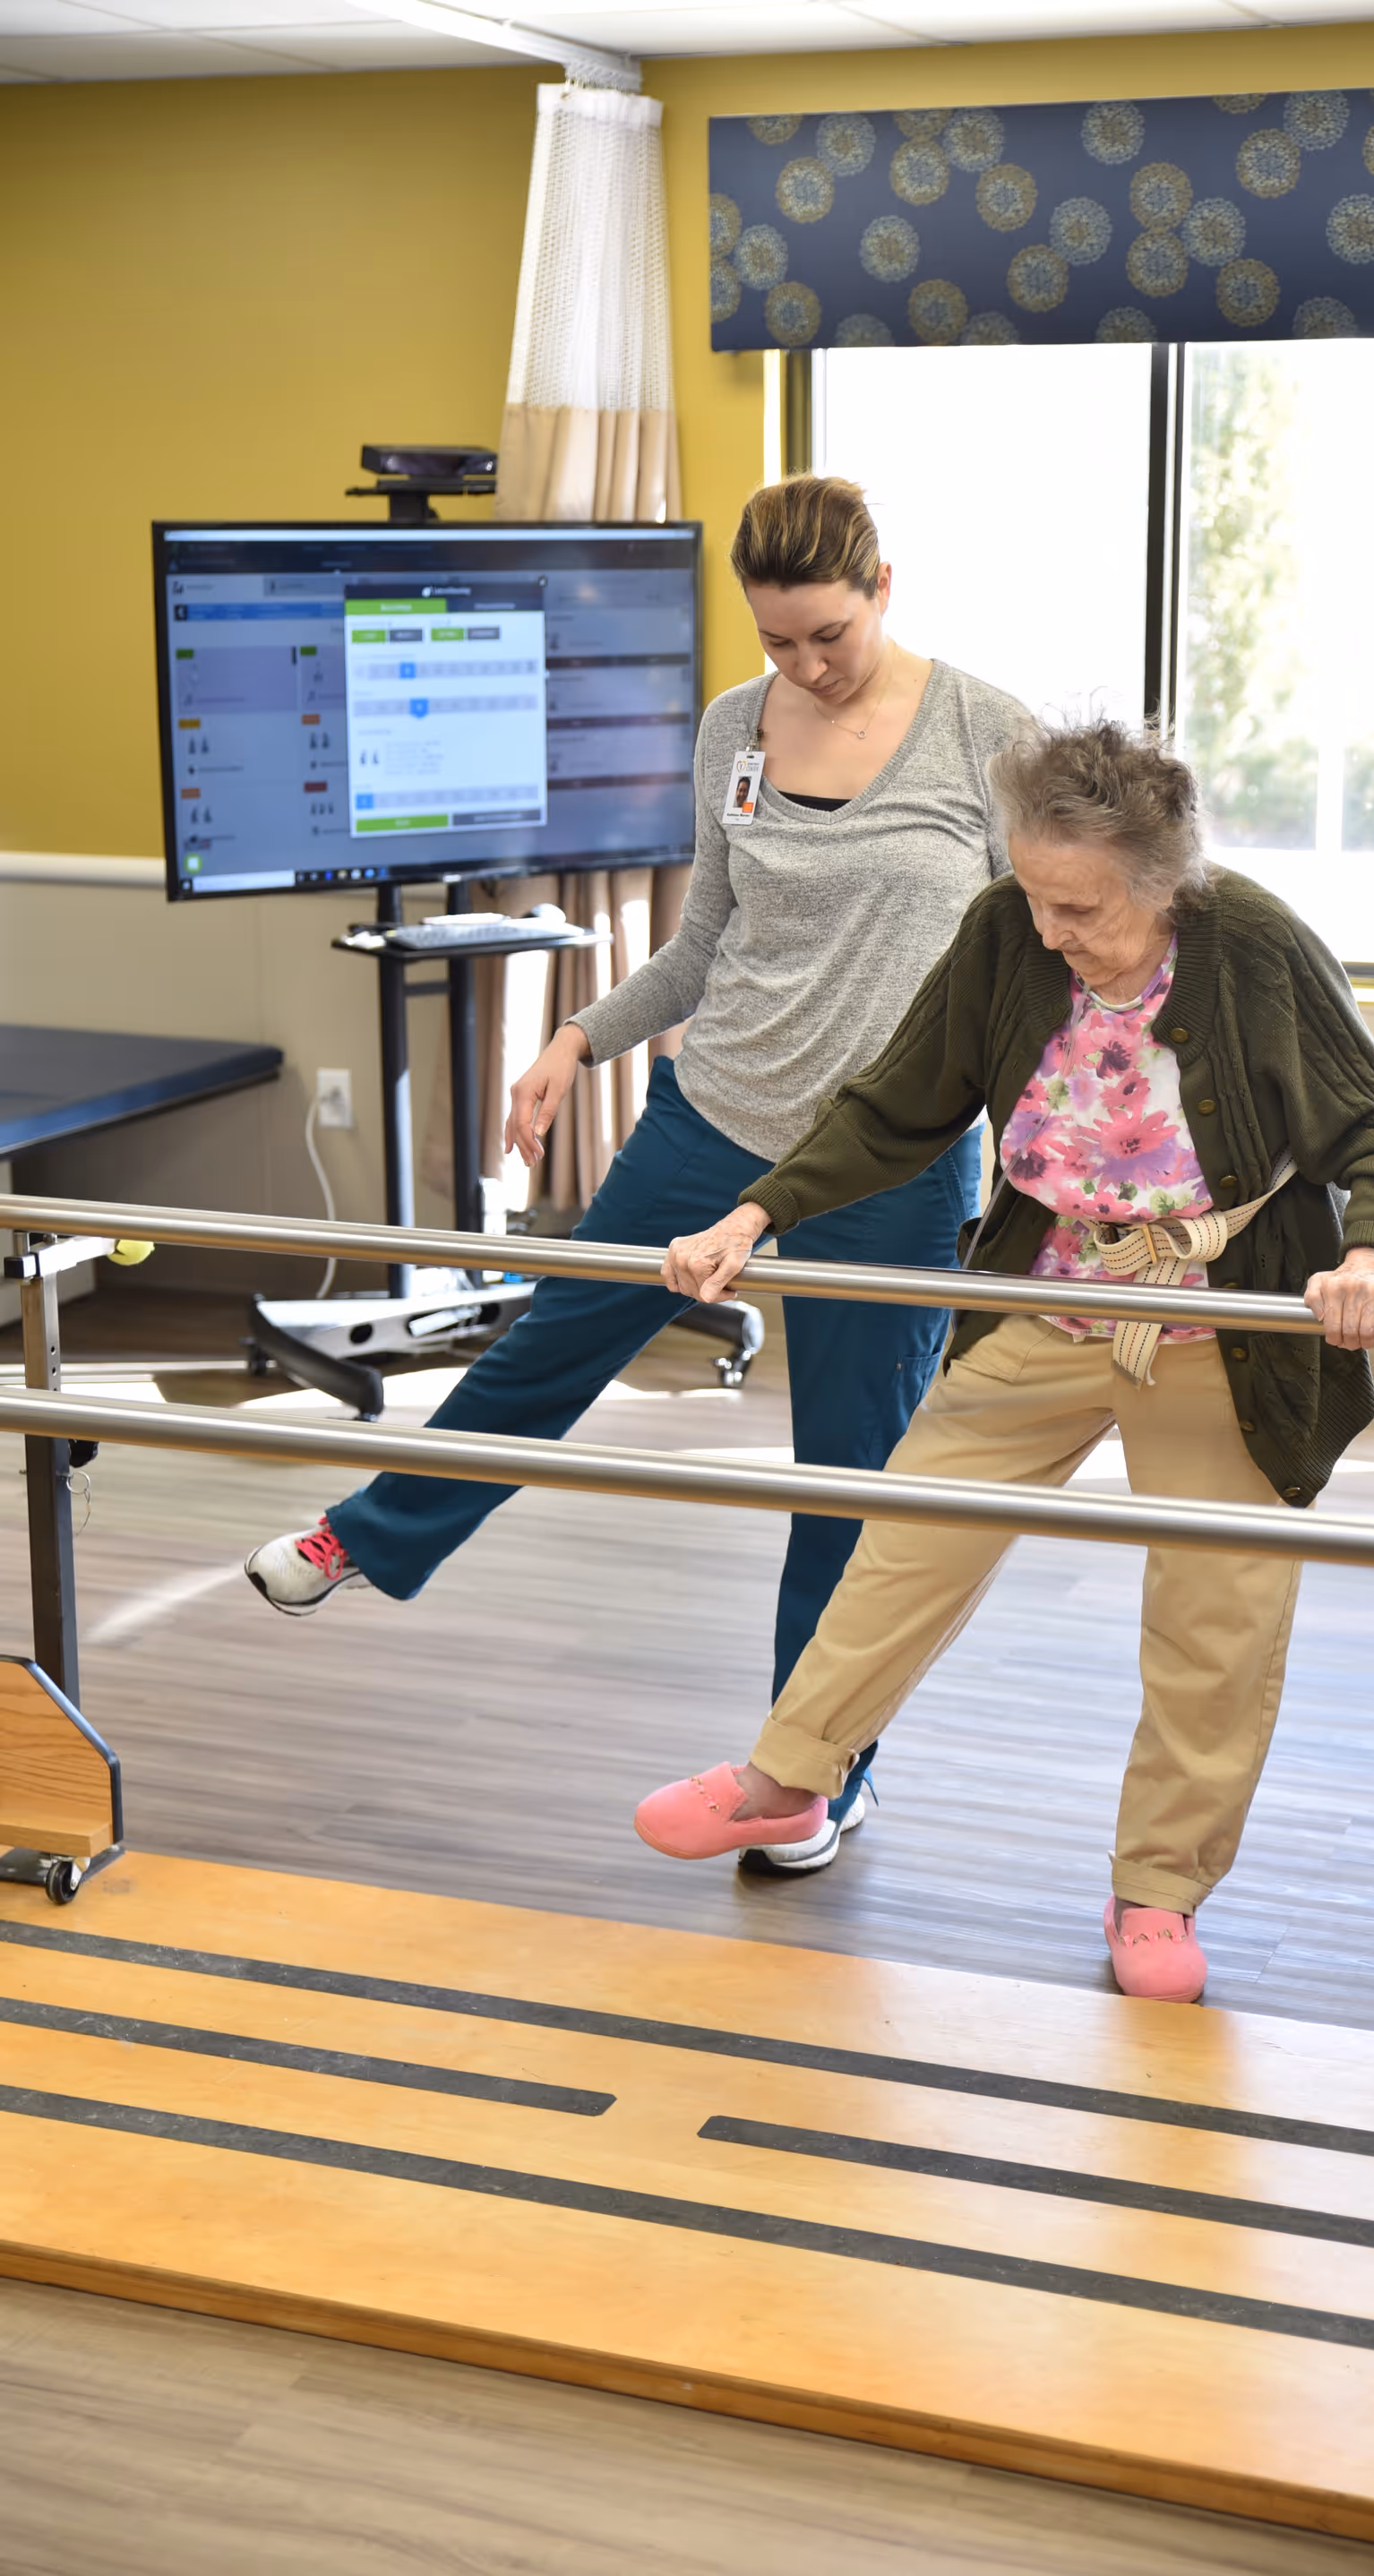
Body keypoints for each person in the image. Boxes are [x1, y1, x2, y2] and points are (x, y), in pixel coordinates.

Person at [245, 475, 1033, 1877]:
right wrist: (577, 1033)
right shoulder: (736, 727)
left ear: (885, 588)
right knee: (552, 1338)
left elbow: (1046, 952)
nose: (800, 666)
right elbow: (699, 944)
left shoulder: (985, 734)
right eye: (777, 639)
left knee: (850, 1481)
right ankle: (367, 1532)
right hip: (713, 1114)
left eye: (827, 636)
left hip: (892, 1160)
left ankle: (812, 1776)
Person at [634, 720, 1374, 1995]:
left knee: (1214, 1613)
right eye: (1032, 893)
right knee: (910, 1534)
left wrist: (1373, 1259)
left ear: (1164, 884)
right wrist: (758, 1211)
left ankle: (1158, 1894)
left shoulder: (1257, 944)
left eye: (1080, 906)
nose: (1049, 929)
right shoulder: (1008, 930)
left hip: (1224, 1322)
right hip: (1055, 1294)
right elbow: (898, 1099)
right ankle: (789, 1781)